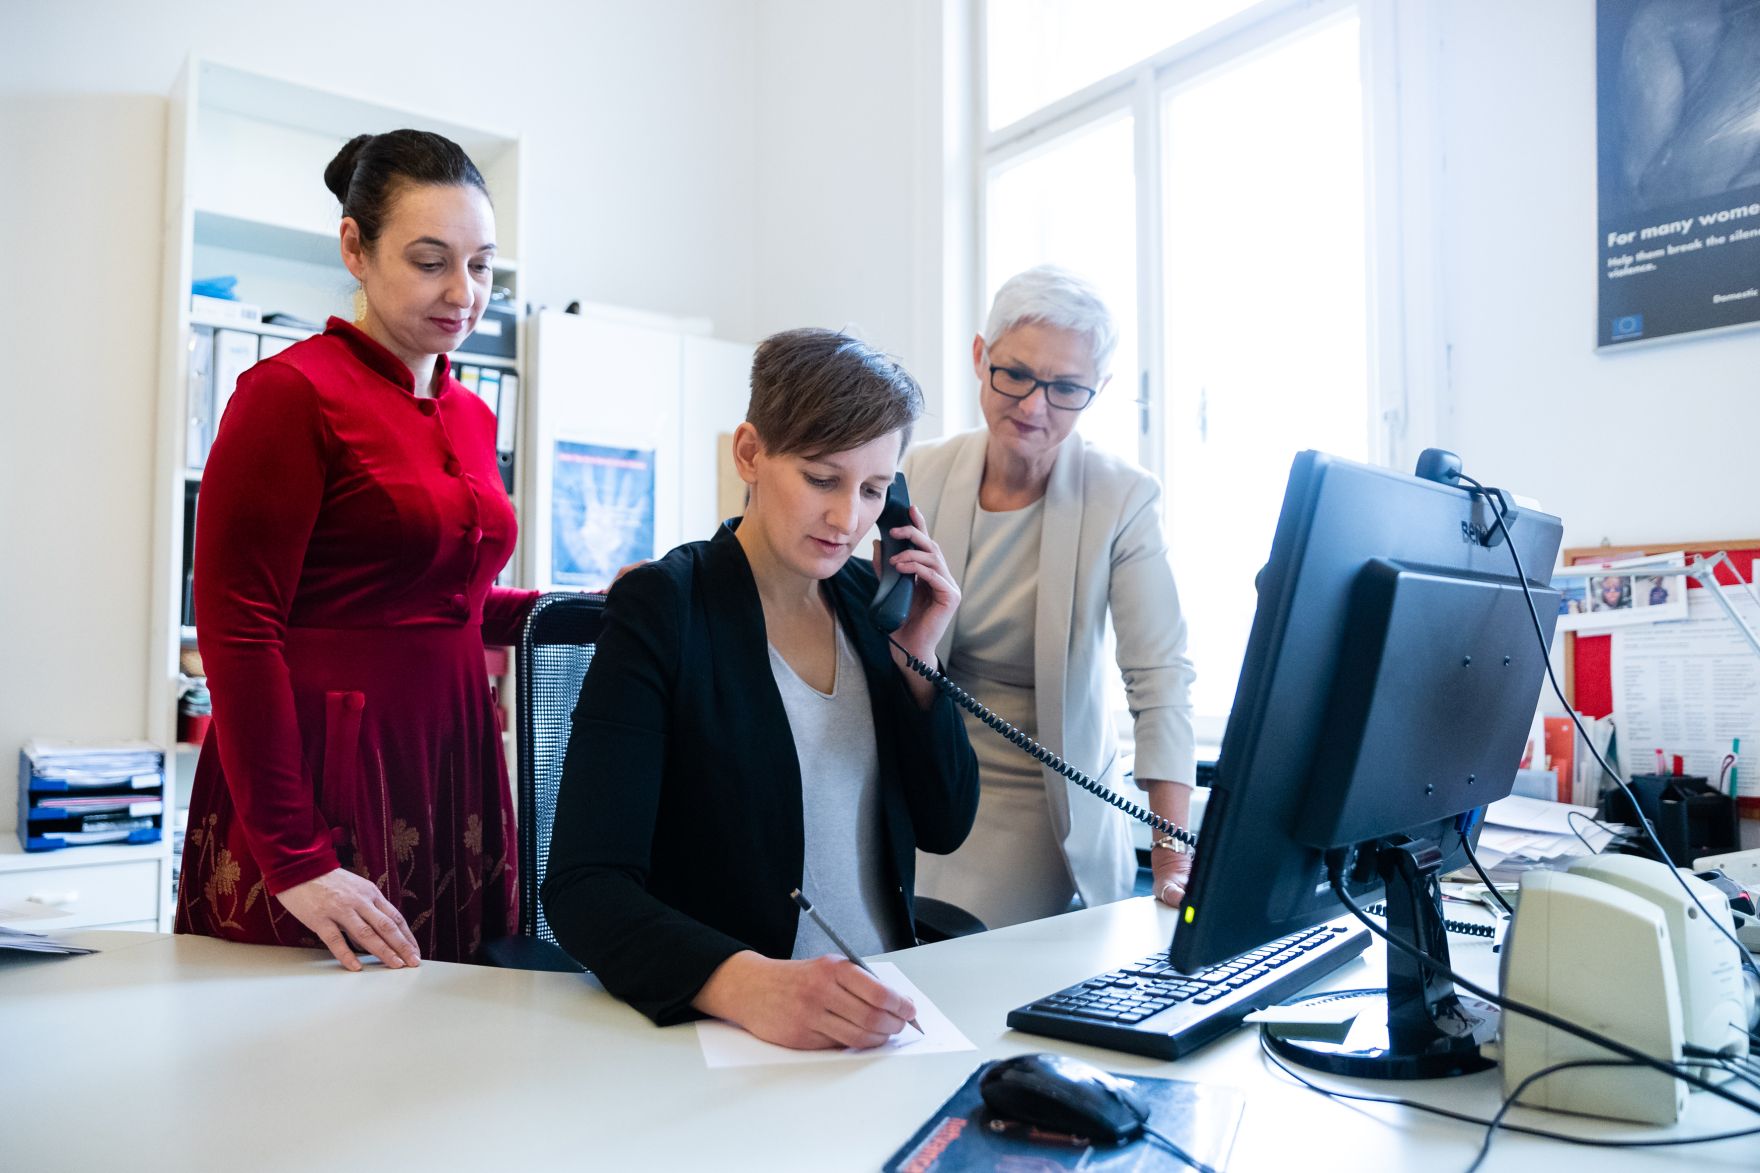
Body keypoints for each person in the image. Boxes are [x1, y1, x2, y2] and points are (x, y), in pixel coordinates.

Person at [542, 329, 980, 1051]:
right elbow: (585, 887)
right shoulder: (666, 607)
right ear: (750, 453)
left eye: (874, 490)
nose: (848, 519)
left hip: (888, 1021)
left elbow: (945, 824)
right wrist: (748, 982)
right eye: (821, 479)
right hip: (742, 1037)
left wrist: (918, 659)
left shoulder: (876, 607)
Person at [176, 130, 537, 969]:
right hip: (324, 781)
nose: (464, 292)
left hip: (450, 760)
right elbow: (238, 627)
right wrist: (296, 857)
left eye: (481, 265)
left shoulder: (471, 417)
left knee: (444, 1056)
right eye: (430, 260)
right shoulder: (288, 396)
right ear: (355, 248)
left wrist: (595, 607)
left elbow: (452, 598)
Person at [903, 265, 1197, 929]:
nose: (1035, 407)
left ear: (1097, 390)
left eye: (1065, 388)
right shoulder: (919, 471)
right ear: (980, 358)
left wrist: (1172, 852)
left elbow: (1160, 680)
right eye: (1015, 374)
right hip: (925, 789)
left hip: (1046, 807)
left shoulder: (1121, 497)